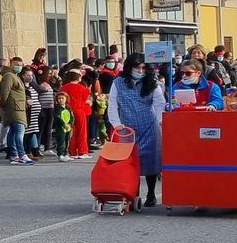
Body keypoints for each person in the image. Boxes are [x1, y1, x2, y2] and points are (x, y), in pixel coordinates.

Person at [105, 53, 166, 207]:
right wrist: (116, 123)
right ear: (129, 67)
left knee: (151, 161)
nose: (140, 71)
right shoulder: (118, 83)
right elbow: (112, 104)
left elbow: (160, 104)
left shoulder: (152, 83)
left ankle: (151, 193)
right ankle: (133, 193)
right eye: (136, 67)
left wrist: (161, 121)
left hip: (149, 127)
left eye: (143, 68)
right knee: (130, 163)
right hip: (127, 129)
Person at [0, 57, 30, 164]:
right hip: (14, 108)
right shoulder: (9, 76)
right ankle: (21, 154)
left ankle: (14, 155)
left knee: (12, 132)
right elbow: (5, 92)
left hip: (17, 107)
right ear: (11, 64)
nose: (19, 67)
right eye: (16, 64)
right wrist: (2, 104)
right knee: (19, 131)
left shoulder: (15, 76)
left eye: (20, 65)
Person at [60, 70, 93, 159]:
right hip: (79, 110)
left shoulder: (64, 87)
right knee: (82, 131)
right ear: (79, 77)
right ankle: (82, 151)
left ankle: (72, 151)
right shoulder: (82, 87)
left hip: (67, 111)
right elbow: (85, 98)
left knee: (71, 131)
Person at [22, 68, 43, 160]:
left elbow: (39, 92)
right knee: (27, 133)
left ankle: (34, 150)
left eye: (31, 75)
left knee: (33, 132)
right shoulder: (22, 86)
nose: (30, 77)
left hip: (35, 113)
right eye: (28, 75)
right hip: (27, 112)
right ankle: (27, 151)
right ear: (23, 76)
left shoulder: (32, 85)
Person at [36, 66, 56, 156]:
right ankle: (39, 145)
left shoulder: (49, 83)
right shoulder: (39, 84)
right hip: (42, 108)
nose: (50, 76)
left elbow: (58, 86)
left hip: (50, 107)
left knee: (48, 128)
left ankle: (47, 146)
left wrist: (56, 77)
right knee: (41, 128)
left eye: (51, 74)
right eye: (48, 74)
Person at [54, 91, 74, 162]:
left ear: (66, 99)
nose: (61, 100)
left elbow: (72, 117)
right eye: (59, 98)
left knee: (67, 140)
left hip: (68, 127)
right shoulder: (57, 108)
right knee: (61, 141)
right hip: (61, 128)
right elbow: (57, 117)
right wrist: (63, 123)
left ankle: (65, 154)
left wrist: (70, 123)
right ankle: (60, 155)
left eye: (62, 98)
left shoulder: (68, 107)